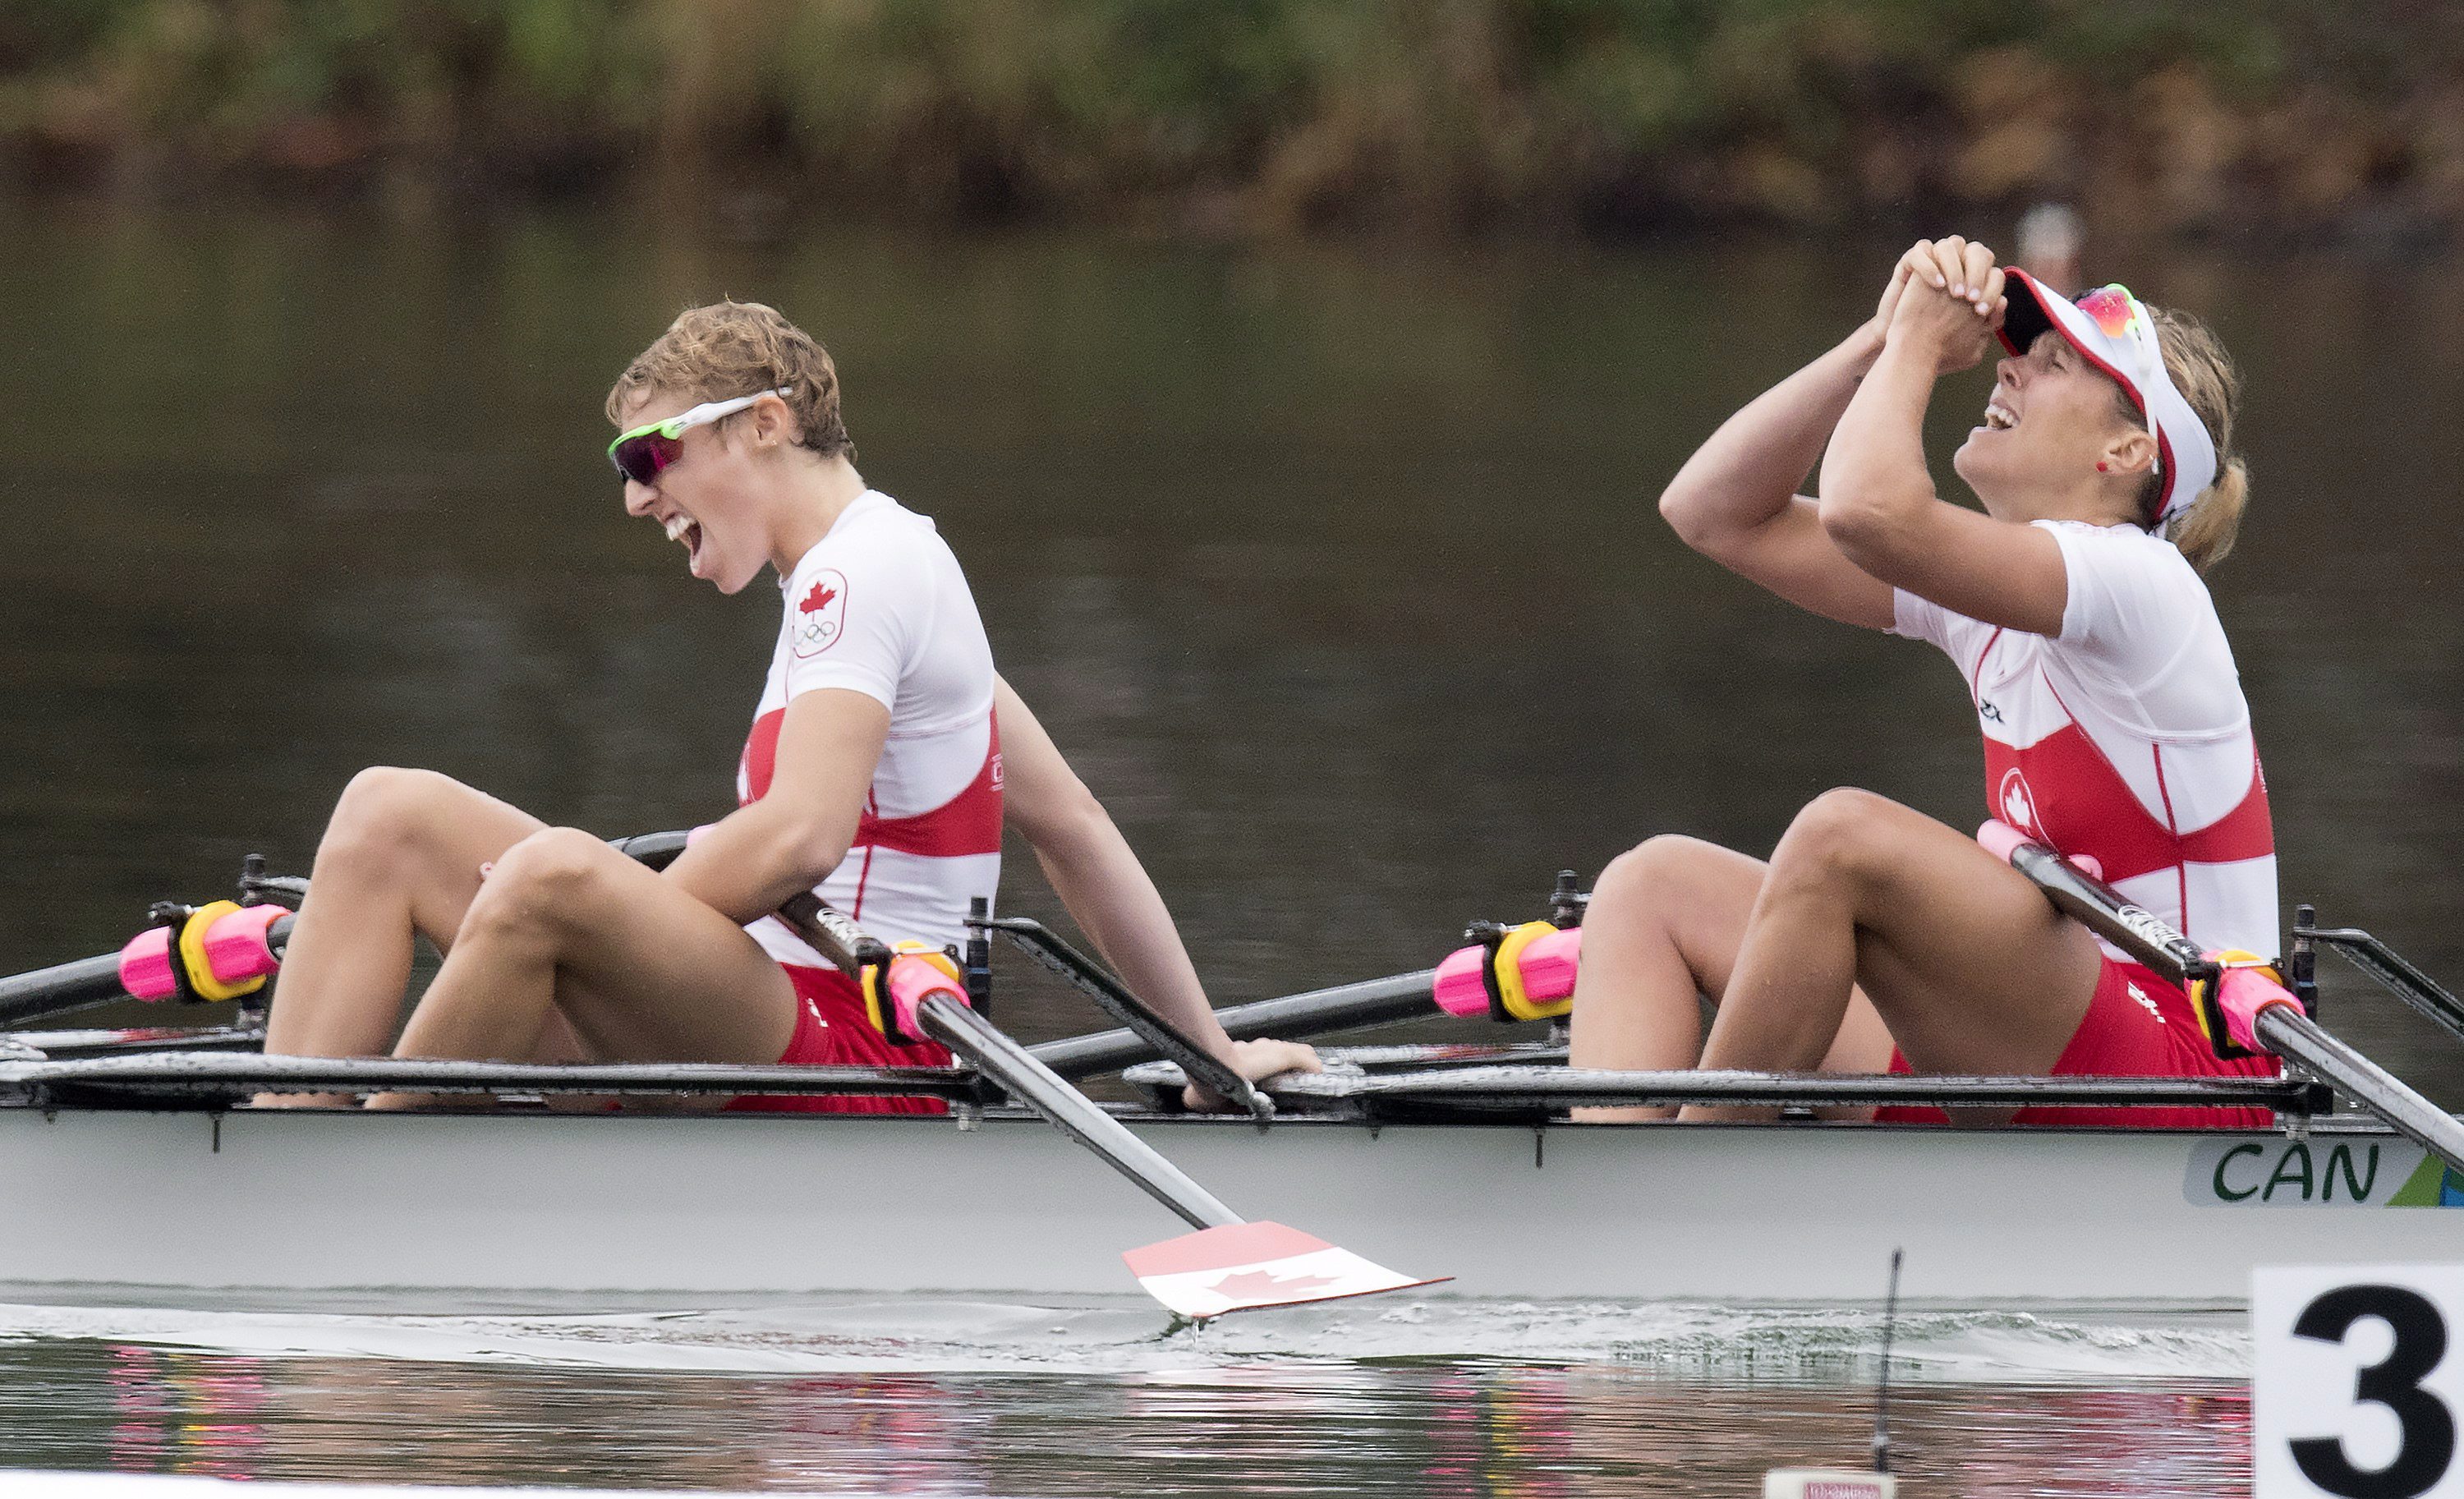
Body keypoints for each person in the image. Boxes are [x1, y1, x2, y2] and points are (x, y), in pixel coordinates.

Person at [259, 300, 1314, 1110]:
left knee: (553, 876)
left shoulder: (861, 574)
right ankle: (280, 1128)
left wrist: (591, 905)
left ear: (763, 425)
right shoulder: (881, 581)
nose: (635, 494)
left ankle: (356, 1169)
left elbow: (804, 839)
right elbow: (1075, 826)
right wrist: (1205, 1049)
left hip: (869, 1042)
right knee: (386, 813)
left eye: (652, 453)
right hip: (779, 1004)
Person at [1568, 236, 2278, 1127]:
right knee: (1649, 886)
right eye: (2021, 355)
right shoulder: (1990, 596)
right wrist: (1877, 338)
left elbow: (1870, 512)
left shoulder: (2142, 584)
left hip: (2193, 1067)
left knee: (1842, 838)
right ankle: (1610, 1198)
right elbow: (1711, 512)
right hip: (2045, 1039)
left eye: (2054, 364)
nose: (2009, 373)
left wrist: (1914, 352)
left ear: (2127, 451)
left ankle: (1690, 1193)